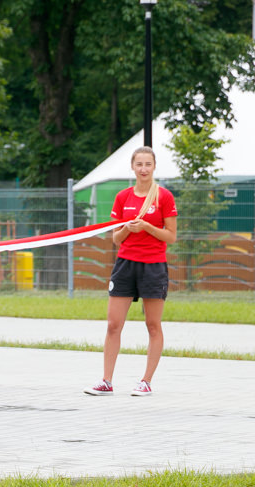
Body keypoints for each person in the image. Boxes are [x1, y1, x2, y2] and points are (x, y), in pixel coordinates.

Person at [84, 146, 177, 397]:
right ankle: (106, 381)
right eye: (139, 164)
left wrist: (146, 226)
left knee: (152, 324)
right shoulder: (123, 197)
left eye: (148, 164)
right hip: (125, 264)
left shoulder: (164, 197)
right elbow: (116, 238)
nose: (144, 169)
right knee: (114, 324)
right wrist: (128, 229)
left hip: (153, 265)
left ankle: (146, 381)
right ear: (133, 167)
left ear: (154, 166)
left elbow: (171, 236)